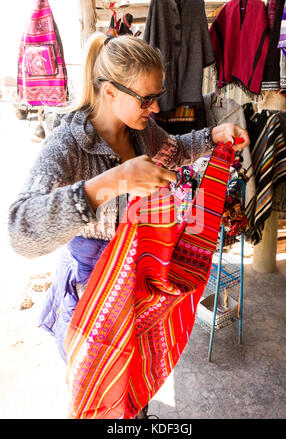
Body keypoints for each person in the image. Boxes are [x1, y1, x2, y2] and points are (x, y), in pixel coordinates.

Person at [7, 33, 249, 418]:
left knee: (133, 389)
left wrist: (212, 137)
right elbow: (20, 230)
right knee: (103, 396)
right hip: (93, 298)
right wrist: (110, 183)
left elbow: (176, 150)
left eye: (158, 96)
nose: (154, 109)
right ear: (109, 92)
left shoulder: (141, 132)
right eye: (146, 99)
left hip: (137, 288)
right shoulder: (67, 146)